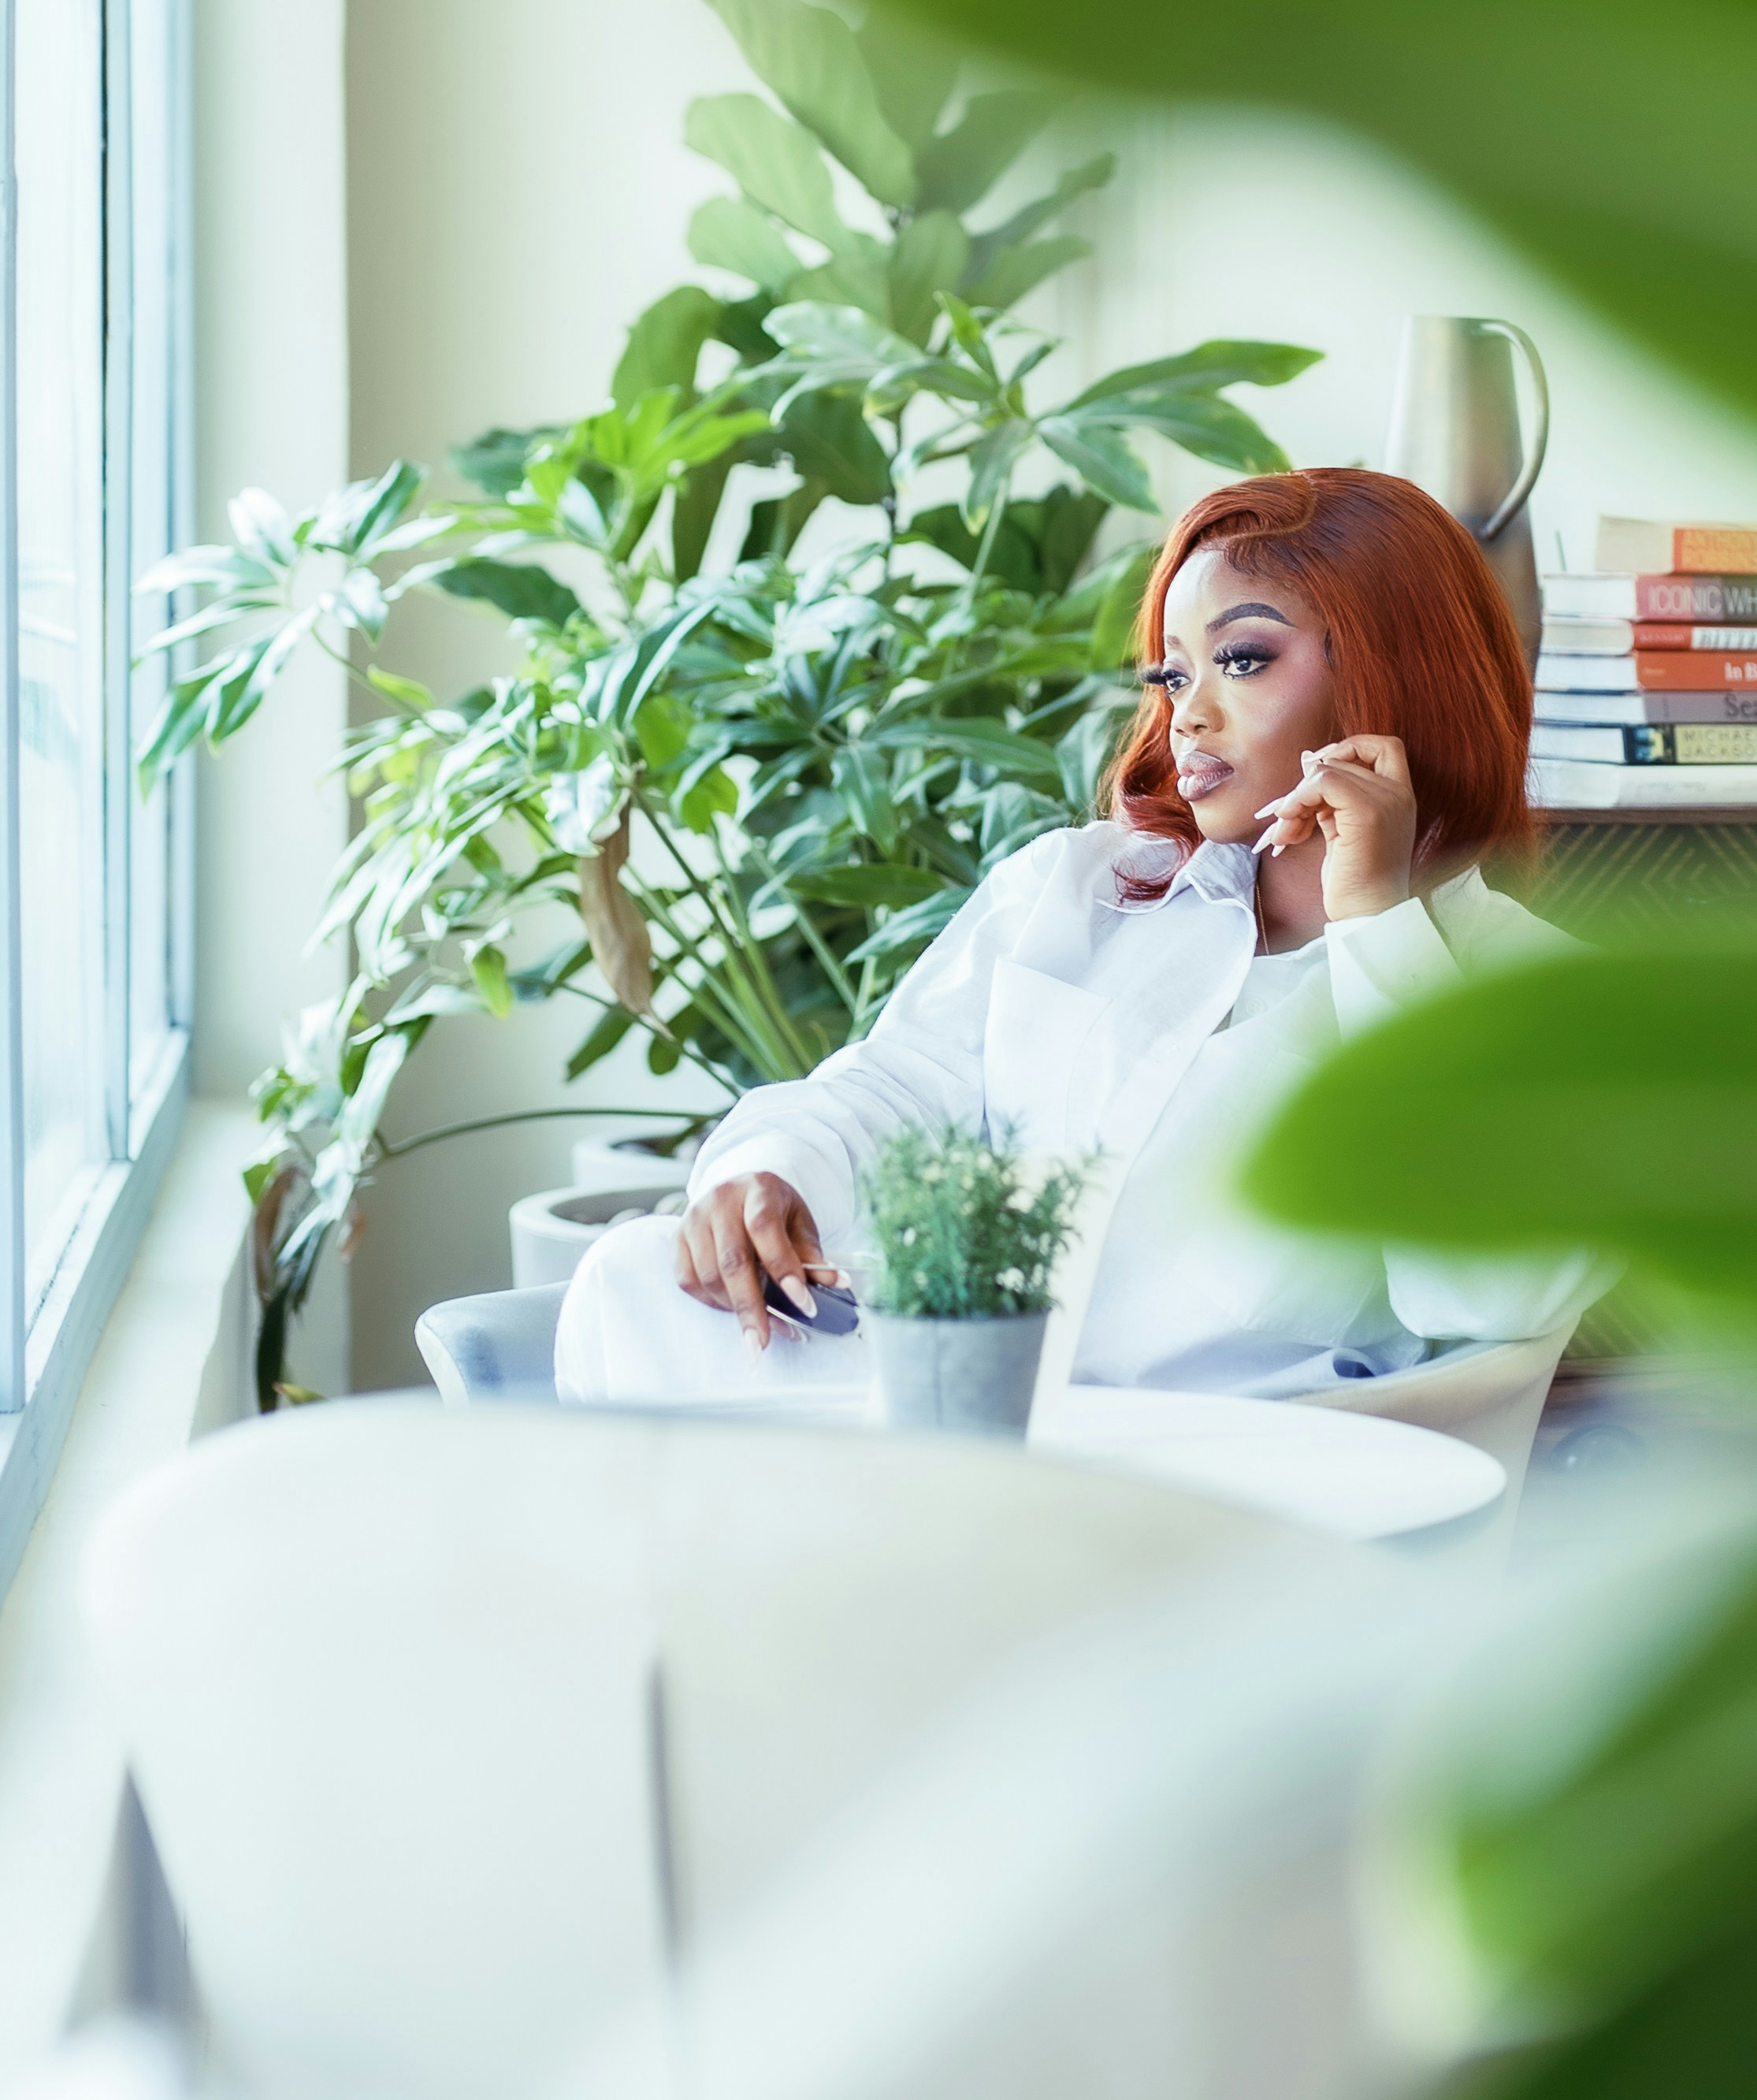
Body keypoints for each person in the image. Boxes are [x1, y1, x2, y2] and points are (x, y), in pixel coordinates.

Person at [554, 466, 1595, 1407]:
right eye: (1174, 674)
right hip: (964, 1394)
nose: (1189, 716)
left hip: (1228, 1472)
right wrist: (769, 1172)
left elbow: (1487, 1295)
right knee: (633, 1281)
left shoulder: (1540, 989)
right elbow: (895, 1084)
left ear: (1395, 666)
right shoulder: (1080, 885)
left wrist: (1376, 924)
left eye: (1240, 658)